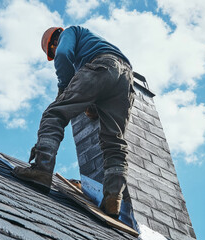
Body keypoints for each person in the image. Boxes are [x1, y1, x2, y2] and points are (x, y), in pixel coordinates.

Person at [13, 26, 135, 217]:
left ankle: (42, 170)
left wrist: (63, 91)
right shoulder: (91, 45)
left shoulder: (69, 32)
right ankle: (113, 199)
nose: (55, 52)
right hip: (126, 79)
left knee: (54, 114)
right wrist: (91, 107)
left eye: (51, 51)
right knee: (114, 140)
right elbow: (100, 86)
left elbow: (63, 54)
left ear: (54, 41)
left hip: (102, 65)